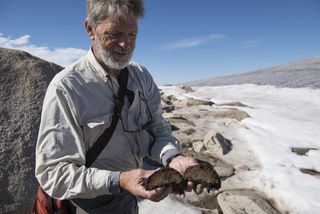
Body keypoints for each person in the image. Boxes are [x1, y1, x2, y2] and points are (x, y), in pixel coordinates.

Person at [35, 0, 202, 213]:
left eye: (132, 34)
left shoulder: (141, 77)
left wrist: (173, 157)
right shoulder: (67, 88)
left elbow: (157, 131)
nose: (126, 45)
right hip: (86, 205)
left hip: (129, 197)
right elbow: (52, 174)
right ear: (90, 29)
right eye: (114, 34)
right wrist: (120, 180)